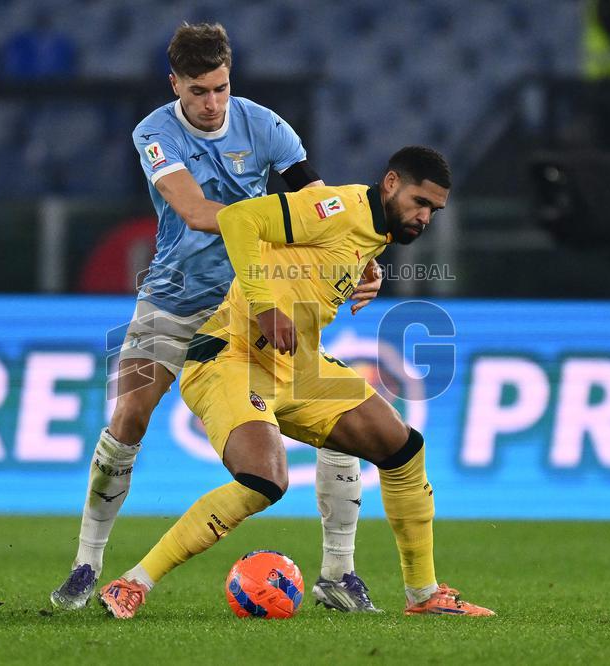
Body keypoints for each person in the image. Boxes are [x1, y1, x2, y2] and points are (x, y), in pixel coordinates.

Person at [51, 22, 384, 612]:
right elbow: (198, 211)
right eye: (198, 91)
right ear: (174, 83)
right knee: (128, 417)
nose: (211, 104)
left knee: (335, 411)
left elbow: (324, 211)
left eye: (221, 89)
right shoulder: (154, 132)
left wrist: (357, 258)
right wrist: (273, 226)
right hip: (172, 299)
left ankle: (339, 571)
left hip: (248, 304)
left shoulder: (266, 126)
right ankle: (86, 563)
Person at [97, 146, 495, 619]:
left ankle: (423, 595)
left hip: (297, 365)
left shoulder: (375, 231)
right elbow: (241, 219)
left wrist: (368, 272)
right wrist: (265, 305)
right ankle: (132, 583)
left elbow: (322, 259)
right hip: (231, 356)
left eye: (434, 210)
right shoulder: (339, 209)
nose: (425, 216)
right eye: (419, 202)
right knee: (264, 480)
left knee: (402, 446)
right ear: (390, 183)